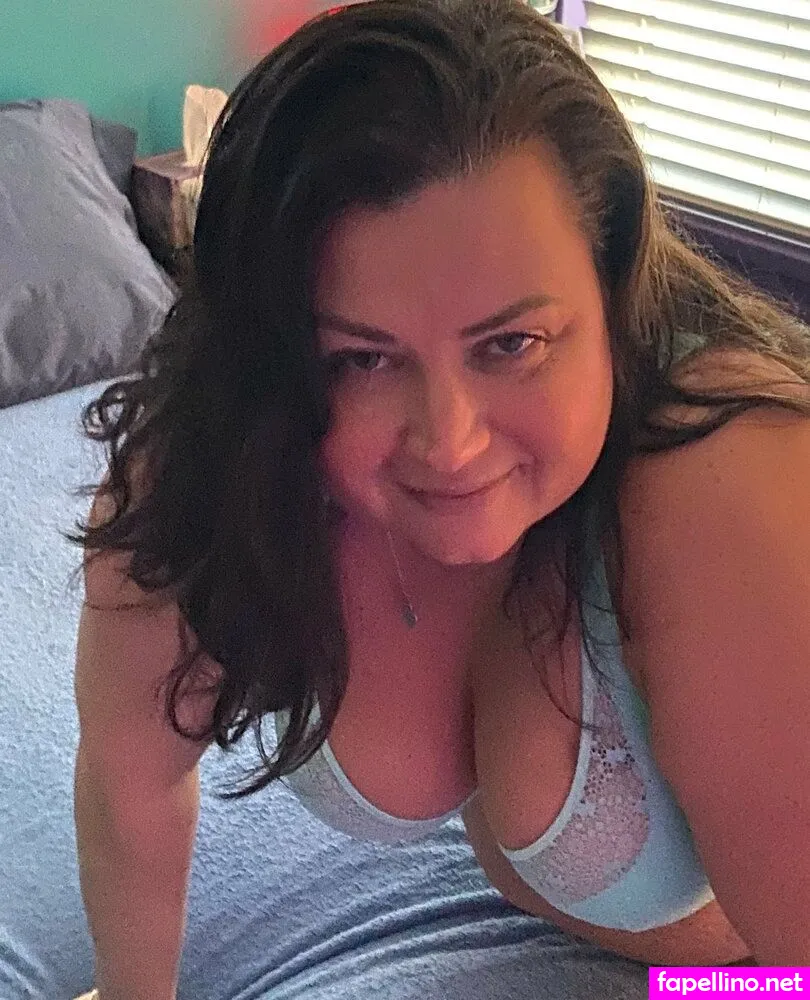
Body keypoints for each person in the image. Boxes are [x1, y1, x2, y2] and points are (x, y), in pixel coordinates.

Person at [69, 0, 810, 995]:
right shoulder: (211, 467)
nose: (450, 443)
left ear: (613, 289)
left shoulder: (732, 490)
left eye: (512, 343)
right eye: (363, 358)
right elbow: (130, 780)